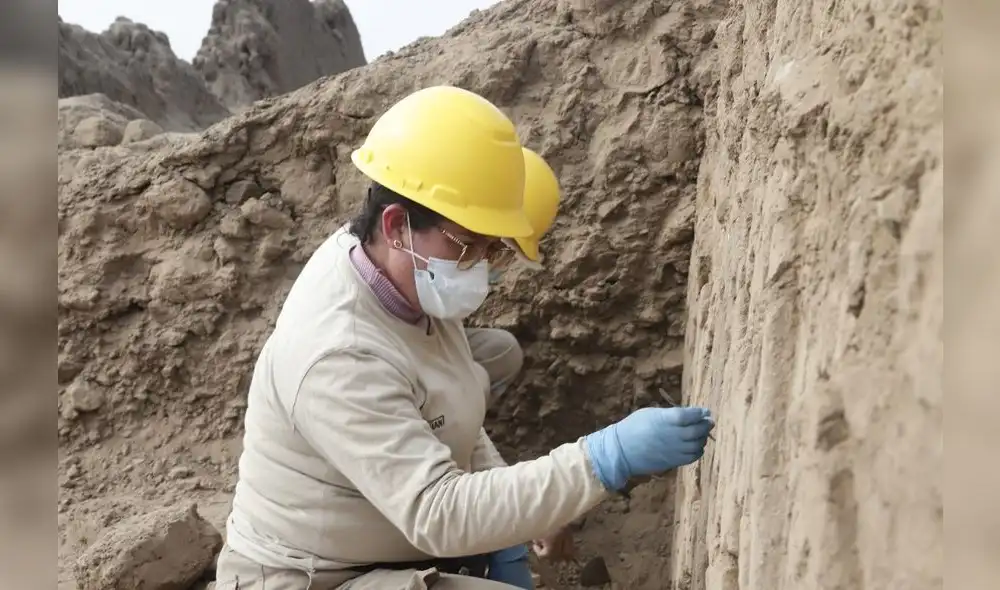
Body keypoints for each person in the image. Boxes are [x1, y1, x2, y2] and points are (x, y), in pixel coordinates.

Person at [214, 85, 715, 590]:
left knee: (492, 360)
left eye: (488, 250)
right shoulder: (337, 353)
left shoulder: (401, 268)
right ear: (396, 225)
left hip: (381, 543)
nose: (477, 266)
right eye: (467, 245)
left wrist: (516, 523)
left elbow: (454, 410)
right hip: (312, 576)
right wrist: (603, 458)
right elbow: (439, 512)